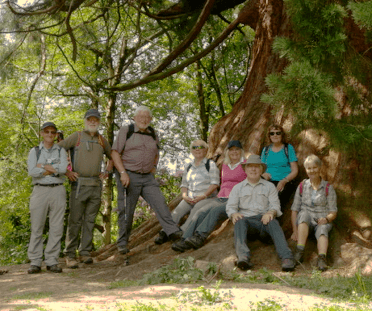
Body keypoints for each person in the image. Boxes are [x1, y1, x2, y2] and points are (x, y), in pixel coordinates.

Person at [111, 106, 182, 255]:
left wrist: (154, 167)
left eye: (147, 117)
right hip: (128, 175)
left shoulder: (153, 133)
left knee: (160, 203)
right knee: (126, 211)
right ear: (135, 118)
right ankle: (123, 242)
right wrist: (123, 173)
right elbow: (115, 153)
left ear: (150, 119)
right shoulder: (127, 130)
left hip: (148, 177)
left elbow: (156, 153)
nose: (144, 119)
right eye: (141, 116)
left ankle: (173, 232)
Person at [58, 109, 113, 269]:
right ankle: (69, 255)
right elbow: (58, 148)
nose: (93, 122)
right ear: (85, 120)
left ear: (99, 122)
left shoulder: (102, 140)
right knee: (75, 220)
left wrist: (108, 171)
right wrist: (66, 170)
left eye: (96, 120)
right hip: (79, 184)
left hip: (96, 184)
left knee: (89, 220)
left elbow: (113, 155)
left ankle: (85, 253)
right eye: (90, 119)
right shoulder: (77, 136)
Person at [172, 140, 246, 252]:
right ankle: (184, 239)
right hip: (221, 197)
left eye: (237, 149)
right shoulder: (226, 165)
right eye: (231, 150)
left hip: (236, 199)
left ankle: (199, 237)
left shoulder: (246, 164)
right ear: (227, 152)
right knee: (200, 211)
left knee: (215, 211)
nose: (234, 152)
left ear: (241, 151)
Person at [226, 154, 295, 271]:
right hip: (247, 223)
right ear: (245, 169)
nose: (253, 169)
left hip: (264, 221)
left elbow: (275, 206)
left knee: (273, 222)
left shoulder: (269, 187)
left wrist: (271, 213)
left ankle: (286, 258)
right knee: (239, 221)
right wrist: (233, 214)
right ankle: (243, 257)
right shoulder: (238, 188)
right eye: (250, 167)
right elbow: (230, 206)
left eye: (257, 167)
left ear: (262, 169)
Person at [155, 139, 220, 245]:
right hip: (190, 197)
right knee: (177, 211)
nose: (197, 149)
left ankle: (183, 232)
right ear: (191, 151)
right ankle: (166, 232)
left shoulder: (210, 164)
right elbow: (184, 185)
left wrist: (203, 196)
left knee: (196, 210)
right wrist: (184, 196)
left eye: (200, 147)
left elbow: (215, 184)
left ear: (206, 150)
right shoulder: (189, 166)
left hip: (207, 197)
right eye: (194, 147)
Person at [27, 122, 68, 274]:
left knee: (56, 228)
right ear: (41, 133)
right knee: (37, 227)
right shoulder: (35, 151)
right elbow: (32, 171)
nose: (50, 135)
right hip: (39, 191)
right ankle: (35, 262)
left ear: (56, 134)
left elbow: (63, 169)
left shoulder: (61, 151)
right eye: (47, 132)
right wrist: (52, 169)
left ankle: (52, 261)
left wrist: (43, 166)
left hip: (58, 190)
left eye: (53, 132)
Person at [291, 155, 337, 271]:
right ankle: (299, 252)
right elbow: (294, 209)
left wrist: (326, 219)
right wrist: (295, 231)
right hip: (305, 222)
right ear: (306, 170)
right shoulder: (302, 186)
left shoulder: (327, 187)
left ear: (320, 168)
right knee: (304, 214)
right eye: (309, 168)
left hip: (322, 220)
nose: (312, 171)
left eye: (314, 167)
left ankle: (322, 258)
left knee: (322, 229)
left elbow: (333, 212)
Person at [261, 124, 298, 209]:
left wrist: (284, 181)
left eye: (278, 133)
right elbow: (261, 169)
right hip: (268, 182)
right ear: (269, 136)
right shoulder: (265, 150)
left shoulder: (288, 148)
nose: (275, 135)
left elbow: (295, 170)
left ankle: (271, 220)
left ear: (282, 135)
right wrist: (264, 175)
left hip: (285, 182)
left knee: (276, 202)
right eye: (272, 133)